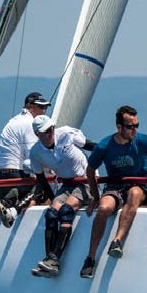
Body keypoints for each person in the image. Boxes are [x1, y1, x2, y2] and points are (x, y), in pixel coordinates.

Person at [80, 105, 147, 278]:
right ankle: (90, 258)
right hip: (114, 187)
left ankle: (117, 241)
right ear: (119, 127)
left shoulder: (143, 141)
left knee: (134, 194)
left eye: (137, 125)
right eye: (130, 127)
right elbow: (90, 171)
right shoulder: (105, 146)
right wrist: (96, 198)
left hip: (137, 186)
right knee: (104, 208)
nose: (134, 130)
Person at [21, 115, 94, 277]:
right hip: (66, 185)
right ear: (37, 134)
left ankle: (55, 259)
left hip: (84, 181)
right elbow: (40, 178)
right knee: (52, 213)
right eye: (45, 131)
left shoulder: (66, 133)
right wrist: (53, 198)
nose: (50, 133)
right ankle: (49, 259)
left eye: (51, 128)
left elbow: (92, 147)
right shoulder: (36, 152)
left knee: (66, 210)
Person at [0, 91, 51, 229]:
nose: (44, 111)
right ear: (29, 106)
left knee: (8, 201)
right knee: (43, 187)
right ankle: (14, 212)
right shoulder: (30, 123)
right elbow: (34, 155)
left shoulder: (14, 120)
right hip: (13, 174)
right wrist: (52, 168)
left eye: (45, 108)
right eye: (41, 107)